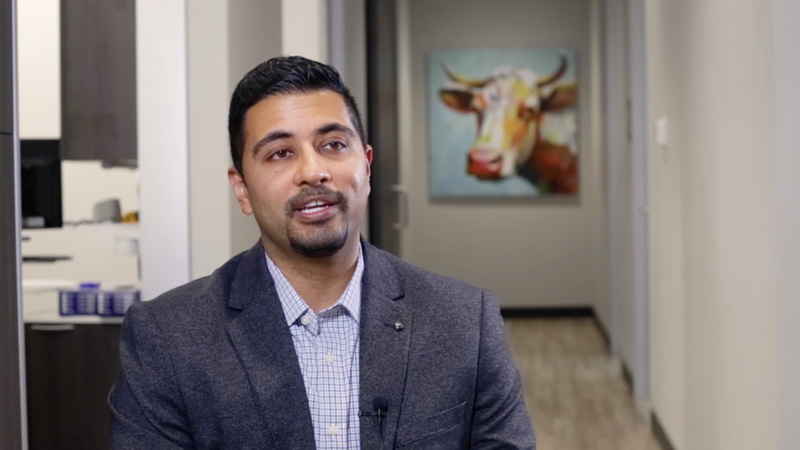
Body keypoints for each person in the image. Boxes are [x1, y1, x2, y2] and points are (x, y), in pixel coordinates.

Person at [108, 56, 535, 450]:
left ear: (366, 167)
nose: (313, 172)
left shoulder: (464, 321)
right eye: (280, 153)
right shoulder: (167, 338)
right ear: (242, 188)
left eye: (333, 144)